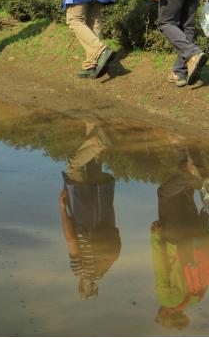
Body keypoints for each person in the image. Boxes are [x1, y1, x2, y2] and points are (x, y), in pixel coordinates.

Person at [150, 155, 209, 329]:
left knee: (184, 194)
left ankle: (190, 159)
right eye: (160, 318)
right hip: (176, 241)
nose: (158, 314)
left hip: (196, 237)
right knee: (165, 194)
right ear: (167, 314)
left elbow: (204, 262)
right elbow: (161, 266)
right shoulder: (167, 300)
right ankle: (190, 172)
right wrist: (155, 237)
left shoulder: (197, 297)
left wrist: (204, 223)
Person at [58, 122, 121, 300]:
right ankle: (100, 140)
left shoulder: (105, 266)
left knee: (94, 167)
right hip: (83, 209)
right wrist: (63, 210)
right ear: (80, 287)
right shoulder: (80, 270)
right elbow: (71, 239)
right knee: (74, 167)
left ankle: (92, 125)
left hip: (102, 205)